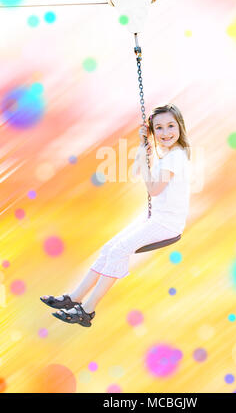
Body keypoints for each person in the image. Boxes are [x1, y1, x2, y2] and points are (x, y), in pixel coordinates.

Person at [40, 103, 191, 327]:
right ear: (152, 131)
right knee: (109, 248)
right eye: (158, 128)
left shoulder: (176, 156)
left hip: (167, 223)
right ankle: (75, 297)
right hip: (155, 218)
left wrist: (144, 161)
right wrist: (143, 147)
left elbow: (154, 189)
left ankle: (86, 311)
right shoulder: (166, 153)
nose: (166, 132)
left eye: (171, 126)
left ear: (180, 126)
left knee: (120, 251)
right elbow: (136, 172)